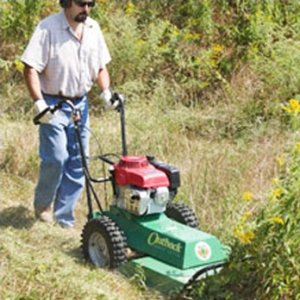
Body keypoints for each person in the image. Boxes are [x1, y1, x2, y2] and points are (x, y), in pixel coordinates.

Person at [21, 0, 116, 228]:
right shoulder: (47, 28)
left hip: (80, 105)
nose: (86, 9)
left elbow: (101, 66)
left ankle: (64, 218)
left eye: (90, 3)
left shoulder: (93, 29)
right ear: (67, 2)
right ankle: (43, 205)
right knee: (56, 158)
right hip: (53, 104)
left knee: (78, 162)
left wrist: (106, 92)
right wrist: (39, 103)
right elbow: (30, 67)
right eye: (81, 3)